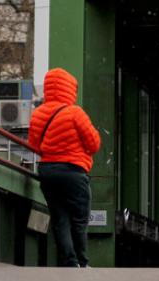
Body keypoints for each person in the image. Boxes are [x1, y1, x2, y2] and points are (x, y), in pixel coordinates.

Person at [26, 67, 102, 267]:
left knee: (60, 219)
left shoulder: (38, 114)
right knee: (79, 219)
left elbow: (34, 145)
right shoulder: (75, 113)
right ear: (70, 88)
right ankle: (83, 262)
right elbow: (94, 144)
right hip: (73, 172)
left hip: (48, 172)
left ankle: (70, 263)